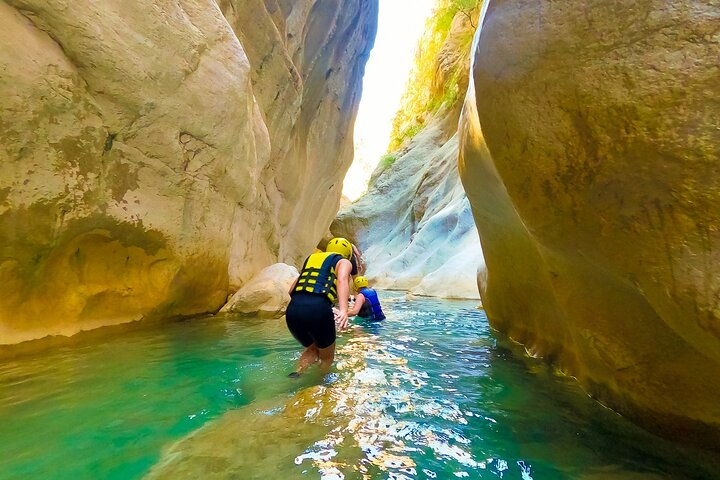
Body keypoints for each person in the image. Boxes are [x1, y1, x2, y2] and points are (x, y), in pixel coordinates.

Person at [286, 237, 353, 375]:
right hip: (318, 309)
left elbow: (291, 290)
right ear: (347, 253)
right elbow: (342, 280)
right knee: (327, 357)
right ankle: (320, 386)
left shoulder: (312, 259)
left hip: (293, 311)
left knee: (313, 348)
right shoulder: (343, 261)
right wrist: (344, 310)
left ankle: (298, 373)